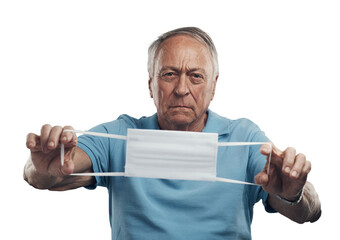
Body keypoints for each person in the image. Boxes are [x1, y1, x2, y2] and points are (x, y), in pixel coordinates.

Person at [24, 27, 321, 239]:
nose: (181, 89)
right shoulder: (121, 134)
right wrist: (40, 166)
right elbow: (50, 172)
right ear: (151, 84)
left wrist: (294, 193)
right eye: (169, 74)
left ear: (213, 86)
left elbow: (310, 211)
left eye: (195, 76)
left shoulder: (243, 138)